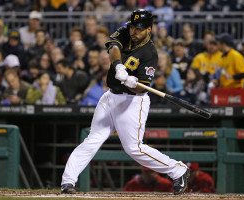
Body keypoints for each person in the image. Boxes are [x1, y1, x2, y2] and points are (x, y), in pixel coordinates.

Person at [61, 9, 190, 195]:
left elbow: (142, 88)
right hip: (110, 96)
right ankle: (68, 182)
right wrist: (118, 67)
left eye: (139, 29)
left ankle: (178, 170)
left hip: (132, 102)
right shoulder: (126, 30)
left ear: (149, 29)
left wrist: (132, 83)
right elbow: (113, 47)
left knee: (134, 149)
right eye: (133, 27)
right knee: (93, 139)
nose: (134, 32)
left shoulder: (150, 53)